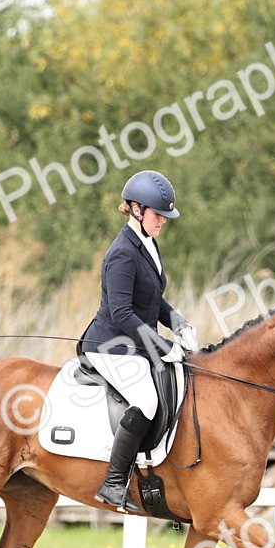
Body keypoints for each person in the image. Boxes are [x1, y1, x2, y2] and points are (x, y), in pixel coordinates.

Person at [78, 170, 199, 512]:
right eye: (158, 214)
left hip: (136, 343)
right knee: (146, 401)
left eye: (164, 216)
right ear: (135, 209)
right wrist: (161, 346)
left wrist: (179, 324)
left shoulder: (147, 243)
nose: (162, 221)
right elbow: (121, 312)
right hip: (110, 346)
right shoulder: (122, 253)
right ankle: (113, 483)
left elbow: (153, 300)